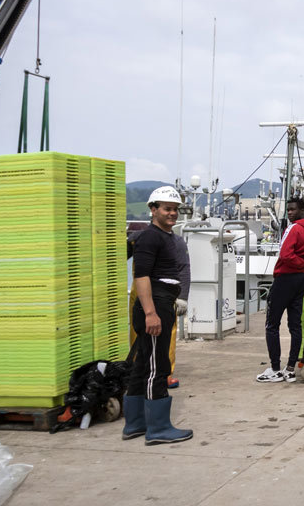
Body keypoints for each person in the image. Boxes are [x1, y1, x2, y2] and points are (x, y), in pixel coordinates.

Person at [123, 186, 193, 445]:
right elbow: (141, 276)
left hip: (162, 302)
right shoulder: (150, 238)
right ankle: (158, 428)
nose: (172, 213)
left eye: (175, 209)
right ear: (153, 210)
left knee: (143, 363)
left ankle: (135, 424)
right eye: (166, 208)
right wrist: (151, 313)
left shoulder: (165, 237)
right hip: (155, 305)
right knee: (157, 366)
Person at [256, 197, 304, 383]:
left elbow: (284, 254)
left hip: (285, 279)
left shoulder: (294, 228)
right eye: (288, 210)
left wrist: (298, 264)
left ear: (301, 210)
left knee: (272, 324)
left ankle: (275, 368)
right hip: (300, 280)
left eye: (293, 210)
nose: (289, 213)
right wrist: (303, 265)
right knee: (295, 325)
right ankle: (290, 369)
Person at [127, 230, 189, 390]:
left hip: (166, 297)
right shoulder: (136, 239)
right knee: (136, 336)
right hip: (139, 295)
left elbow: (183, 267)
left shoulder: (177, 242)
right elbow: (117, 256)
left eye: (173, 209)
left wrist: (182, 297)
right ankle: (137, 371)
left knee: (167, 336)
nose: (171, 214)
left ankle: (165, 374)